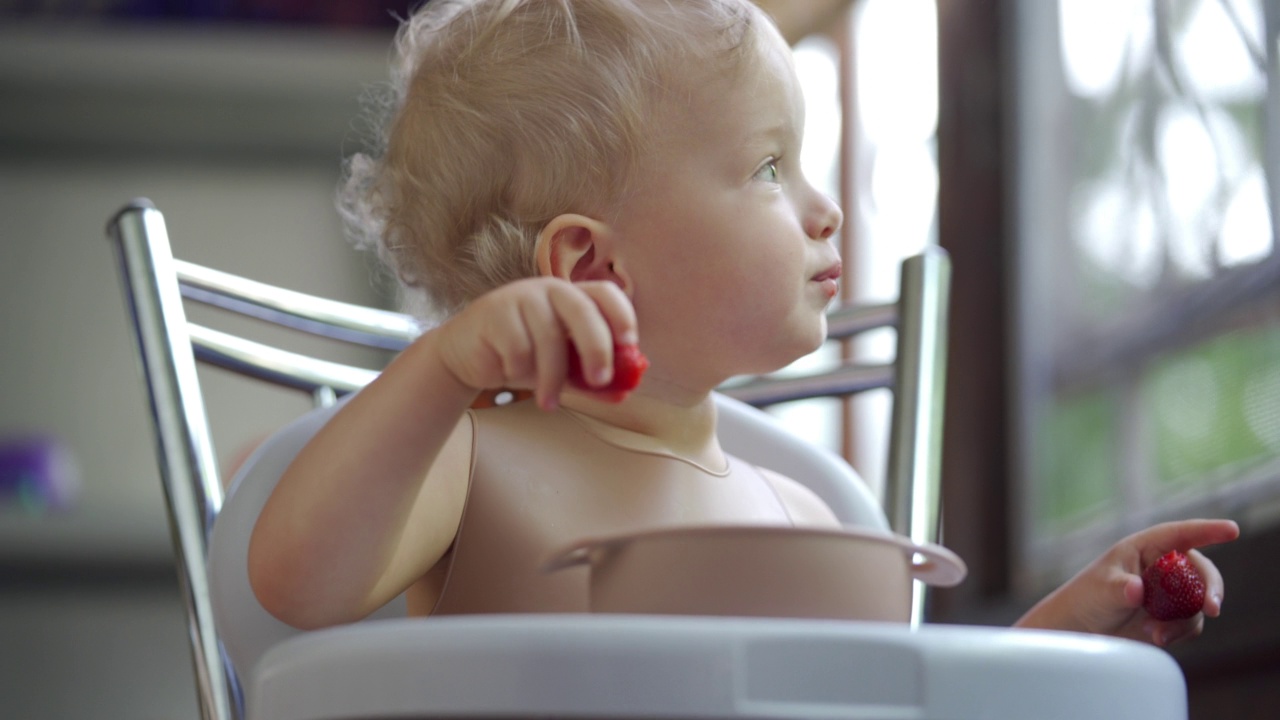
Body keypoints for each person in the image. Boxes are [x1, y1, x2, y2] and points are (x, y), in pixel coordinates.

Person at [247, 0, 1239, 647]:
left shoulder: (803, 517)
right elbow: (293, 584)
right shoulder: (467, 459)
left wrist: (1070, 629)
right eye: (770, 167)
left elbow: (887, 716)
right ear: (591, 266)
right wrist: (438, 372)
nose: (824, 207)